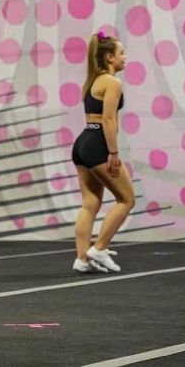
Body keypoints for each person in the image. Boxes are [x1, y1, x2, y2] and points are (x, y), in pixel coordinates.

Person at [72, 31, 134, 274]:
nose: (125, 57)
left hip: (82, 143)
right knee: (127, 199)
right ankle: (98, 248)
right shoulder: (113, 83)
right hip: (97, 144)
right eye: (121, 53)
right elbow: (108, 119)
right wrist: (114, 153)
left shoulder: (92, 81)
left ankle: (82, 259)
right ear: (110, 57)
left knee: (90, 203)